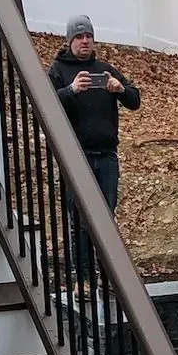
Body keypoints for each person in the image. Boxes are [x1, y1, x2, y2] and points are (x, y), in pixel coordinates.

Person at [48, 14, 140, 213]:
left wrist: (121, 90)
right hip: (76, 156)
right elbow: (44, 106)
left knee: (106, 216)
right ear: (70, 40)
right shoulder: (58, 70)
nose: (85, 41)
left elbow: (135, 101)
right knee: (80, 217)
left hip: (107, 157)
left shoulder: (105, 70)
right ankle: (80, 246)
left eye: (89, 36)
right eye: (79, 36)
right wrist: (71, 90)